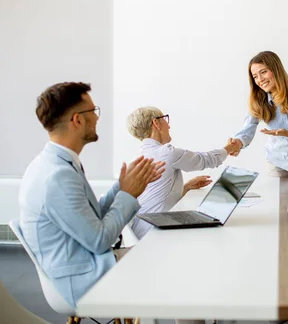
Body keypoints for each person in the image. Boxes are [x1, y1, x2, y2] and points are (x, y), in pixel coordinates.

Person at [19, 82, 165, 308]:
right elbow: (99, 240)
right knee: (173, 264)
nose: (98, 118)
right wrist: (128, 194)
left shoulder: (56, 163)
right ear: (77, 120)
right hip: (85, 280)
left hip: (89, 264)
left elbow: (89, 217)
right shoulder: (57, 176)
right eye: (93, 112)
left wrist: (121, 187)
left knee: (169, 258)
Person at [126, 106, 240, 239]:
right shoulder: (167, 153)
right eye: (165, 120)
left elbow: (156, 196)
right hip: (154, 234)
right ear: (156, 123)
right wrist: (231, 147)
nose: (169, 126)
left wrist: (186, 187)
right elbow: (206, 160)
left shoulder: (137, 158)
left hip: (140, 231)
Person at [230, 51, 288, 177]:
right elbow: (248, 127)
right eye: (255, 76)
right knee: (277, 197)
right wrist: (238, 143)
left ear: (276, 69)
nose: (260, 80)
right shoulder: (257, 100)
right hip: (277, 162)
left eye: (263, 72)